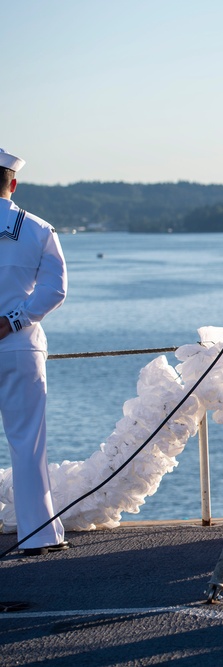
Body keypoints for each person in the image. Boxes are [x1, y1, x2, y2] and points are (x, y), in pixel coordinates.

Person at [0, 148, 70, 557]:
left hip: (19, 344)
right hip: (19, 346)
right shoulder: (39, 228)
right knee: (27, 444)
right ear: (14, 183)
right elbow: (55, 290)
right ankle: (40, 535)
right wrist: (12, 319)